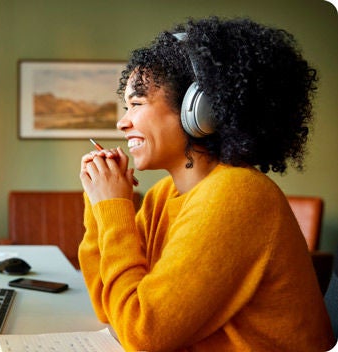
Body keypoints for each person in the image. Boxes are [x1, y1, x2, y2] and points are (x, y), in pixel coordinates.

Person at [78, 17, 334, 351]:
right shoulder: (163, 195)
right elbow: (109, 306)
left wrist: (114, 207)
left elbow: (143, 333)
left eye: (137, 104)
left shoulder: (236, 194)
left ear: (199, 110)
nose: (122, 122)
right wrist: (100, 206)